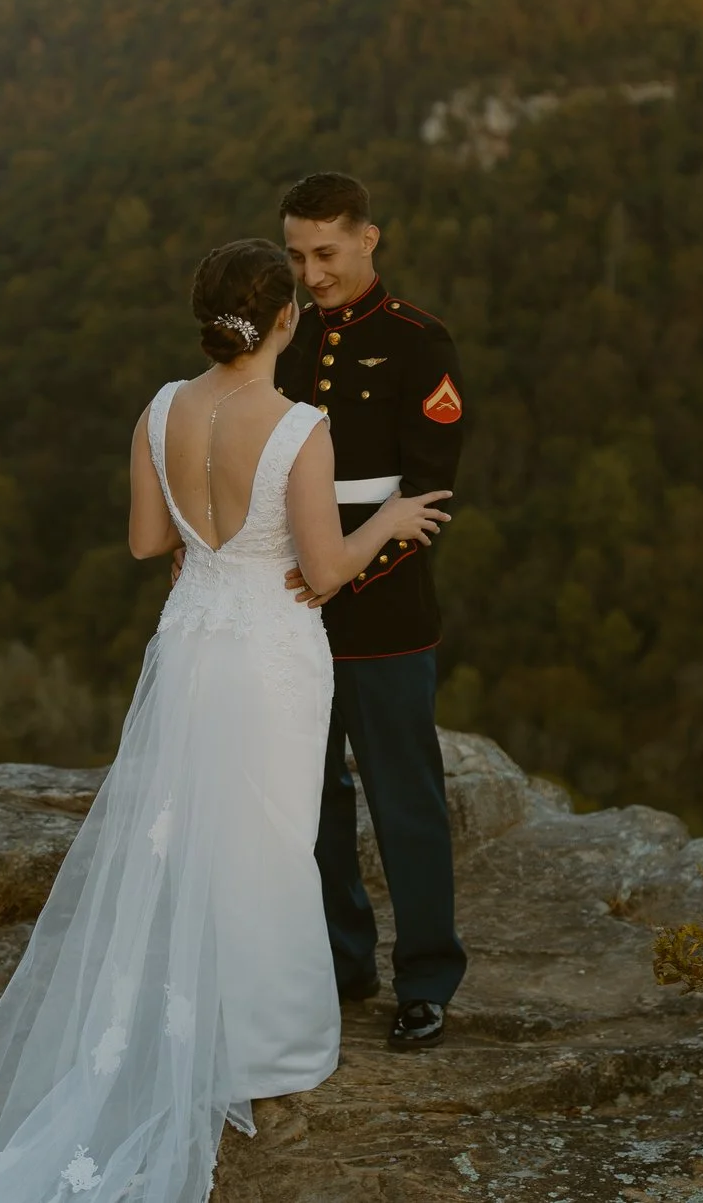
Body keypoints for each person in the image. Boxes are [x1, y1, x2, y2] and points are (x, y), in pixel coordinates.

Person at [0, 237, 451, 1203]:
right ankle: (266, 1043)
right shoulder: (301, 425)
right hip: (269, 650)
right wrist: (391, 519)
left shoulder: (162, 407)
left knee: (192, 833)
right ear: (284, 319)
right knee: (270, 837)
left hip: (192, 640)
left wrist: (204, 540)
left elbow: (145, 540)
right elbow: (327, 571)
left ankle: (191, 1025)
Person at [272, 173, 468, 1053]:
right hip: (289, 611)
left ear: (368, 239)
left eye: (326, 253)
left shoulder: (420, 341)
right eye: (296, 256)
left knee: (405, 802)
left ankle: (426, 978)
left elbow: (428, 496)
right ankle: (341, 961)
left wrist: (336, 576)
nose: (311, 274)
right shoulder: (286, 339)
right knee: (311, 801)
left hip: (384, 614)